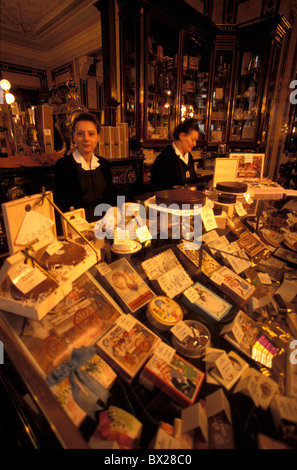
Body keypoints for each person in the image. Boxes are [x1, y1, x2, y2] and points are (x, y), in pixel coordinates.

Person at [53, 112, 117, 223]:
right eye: (80, 134)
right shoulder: (63, 165)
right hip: (77, 227)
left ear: (98, 137)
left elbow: (112, 198)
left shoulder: (104, 164)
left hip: (105, 224)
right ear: (73, 136)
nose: (86, 139)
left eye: (91, 134)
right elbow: (61, 205)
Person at [150, 118, 199, 191]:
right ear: (182, 136)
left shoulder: (189, 157)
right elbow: (158, 191)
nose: (195, 144)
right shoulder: (164, 159)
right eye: (192, 140)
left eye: (196, 141)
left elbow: (193, 183)